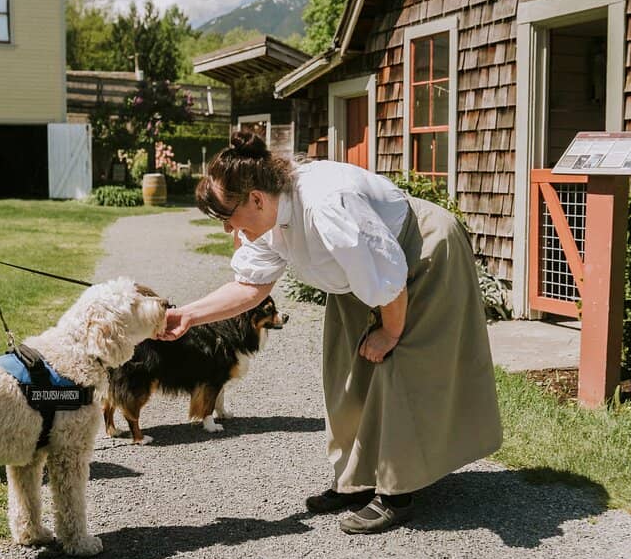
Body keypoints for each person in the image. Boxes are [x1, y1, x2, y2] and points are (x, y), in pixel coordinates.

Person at [160, 131, 503, 534]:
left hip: (418, 254)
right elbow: (250, 287)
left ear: (255, 198)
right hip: (362, 272)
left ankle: (396, 491)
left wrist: (390, 334)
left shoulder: (327, 204)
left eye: (227, 217)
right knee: (346, 366)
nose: (227, 231)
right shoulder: (269, 216)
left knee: (400, 365)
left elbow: (389, 282)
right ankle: (356, 480)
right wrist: (186, 316)